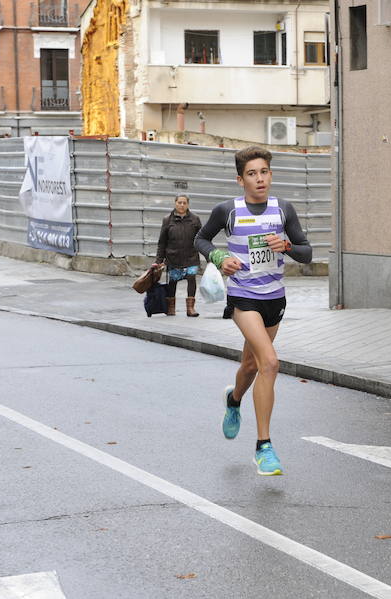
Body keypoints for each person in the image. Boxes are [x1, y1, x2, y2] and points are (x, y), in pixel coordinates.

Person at [195, 146, 312, 475]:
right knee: (270, 363)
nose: (259, 179)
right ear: (240, 179)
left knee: (250, 365)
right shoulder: (227, 211)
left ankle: (233, 400)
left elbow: (306, 252)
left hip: (274, 299)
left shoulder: (283, 210)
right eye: (252, 174)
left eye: (264, 172)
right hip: (243, 298)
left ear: (270, 175)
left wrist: (287, 246)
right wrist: (219, 259)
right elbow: (201, 239)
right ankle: (264, 448)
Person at [153, 195, 202, 317]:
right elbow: (162, 242)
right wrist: (158, 260)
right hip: (173, 258)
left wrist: (208, 257)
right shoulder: (167, 220)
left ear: (188, 204)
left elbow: (202, 239)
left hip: (191, 257)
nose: (182, 205)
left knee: (191, 278)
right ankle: (171, 307)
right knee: (173, 282)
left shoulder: (195, 219)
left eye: (184, 203)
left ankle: (190, 308)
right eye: (179, 202)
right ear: (175, 203)